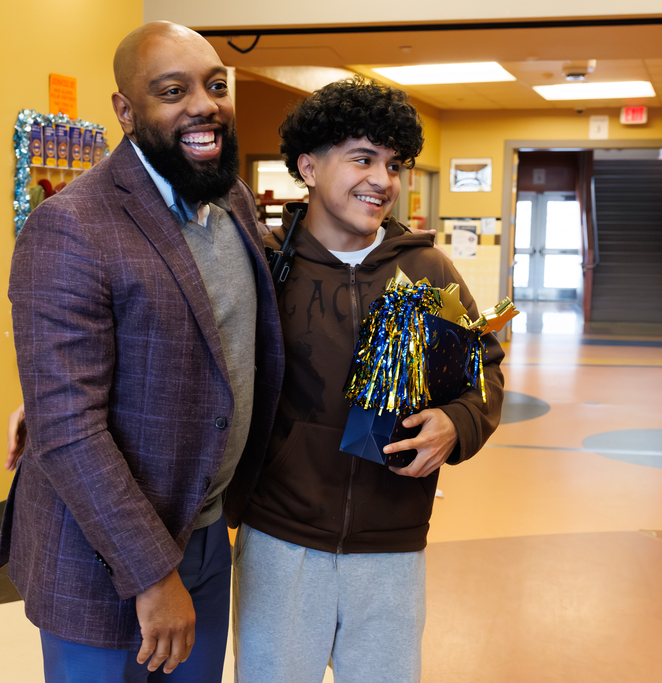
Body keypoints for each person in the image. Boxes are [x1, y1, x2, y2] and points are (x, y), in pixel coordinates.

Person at [0, 21, 283, 683]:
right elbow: (69, 430)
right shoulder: (71, 224)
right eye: (172, 89)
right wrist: (154, 576)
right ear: (125, 111)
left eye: (215, 85)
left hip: (207, 531)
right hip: (100, 556)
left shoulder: (232, 202)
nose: (204, 103)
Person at [231, 78, 505, 683]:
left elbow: (480, 368)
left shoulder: (428, 270)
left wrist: (456, 424)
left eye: (393, 163)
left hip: (392, 542)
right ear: (308, 165)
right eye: (362, 158)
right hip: (281, 538)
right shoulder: (265, 266)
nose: (382, 179)